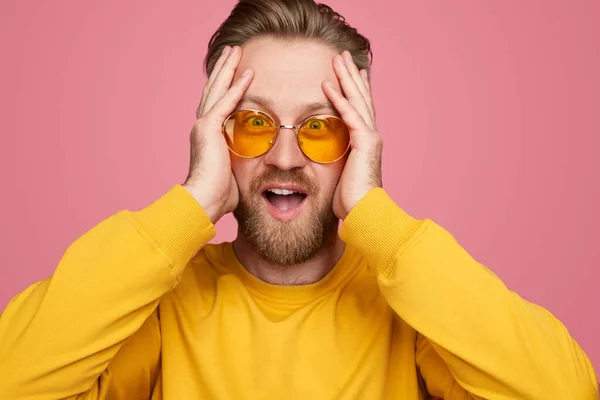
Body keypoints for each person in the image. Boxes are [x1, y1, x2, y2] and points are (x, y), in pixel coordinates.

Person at [0, 0, 597, 398]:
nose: (285, 158)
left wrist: (377, 217)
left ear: (358, 141)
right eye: (254, 123)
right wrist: (190, 205)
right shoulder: (159, 304)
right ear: (216, 136)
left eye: (320, 127)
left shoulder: (411, 312)